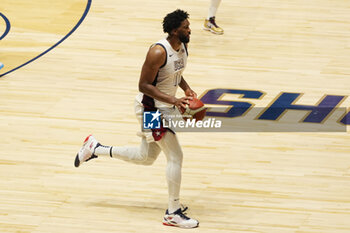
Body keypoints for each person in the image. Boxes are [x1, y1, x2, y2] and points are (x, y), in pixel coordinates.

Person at [74, 9, 199, 229]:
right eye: (186, 27)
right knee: (176, 156)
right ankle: (173, 212)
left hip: (164, 108)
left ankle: (95, 148)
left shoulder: (183, 47)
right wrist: (173, 99)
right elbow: (143, 85)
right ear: (174, 31)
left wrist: (187, 89)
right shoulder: (158, 52)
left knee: (146, 157)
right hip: (149, 110)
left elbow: (174, 74)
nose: (190, 30)